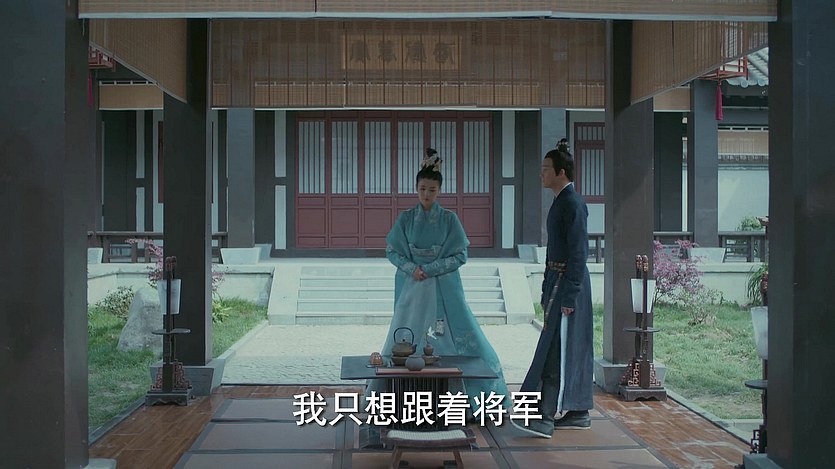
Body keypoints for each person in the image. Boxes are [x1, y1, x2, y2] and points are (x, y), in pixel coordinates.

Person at [370, 147, 510, 412]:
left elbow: (461, 255)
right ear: (416, 189)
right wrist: (412, 268)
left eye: (432, 190)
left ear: (439, 191)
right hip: (413, 287)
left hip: (443, 288)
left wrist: (431, 268)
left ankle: (462, 401)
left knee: (450, 337)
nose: (426, 194)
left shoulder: (449, 219)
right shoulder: (406, 219)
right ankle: (402, 400)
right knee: (404, 339)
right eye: (422, 189)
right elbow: (392, 251)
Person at [512, 141, 594, 438]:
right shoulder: (561, 201)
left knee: (558, 348)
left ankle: (545, 414)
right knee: (560, 346)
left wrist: (570, 294)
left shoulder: (573, 203)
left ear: (561, 172)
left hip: (569, 285)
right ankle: (577, 411)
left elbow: (579, 252)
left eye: (546, 169)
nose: (542, 173)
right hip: (558, 283)